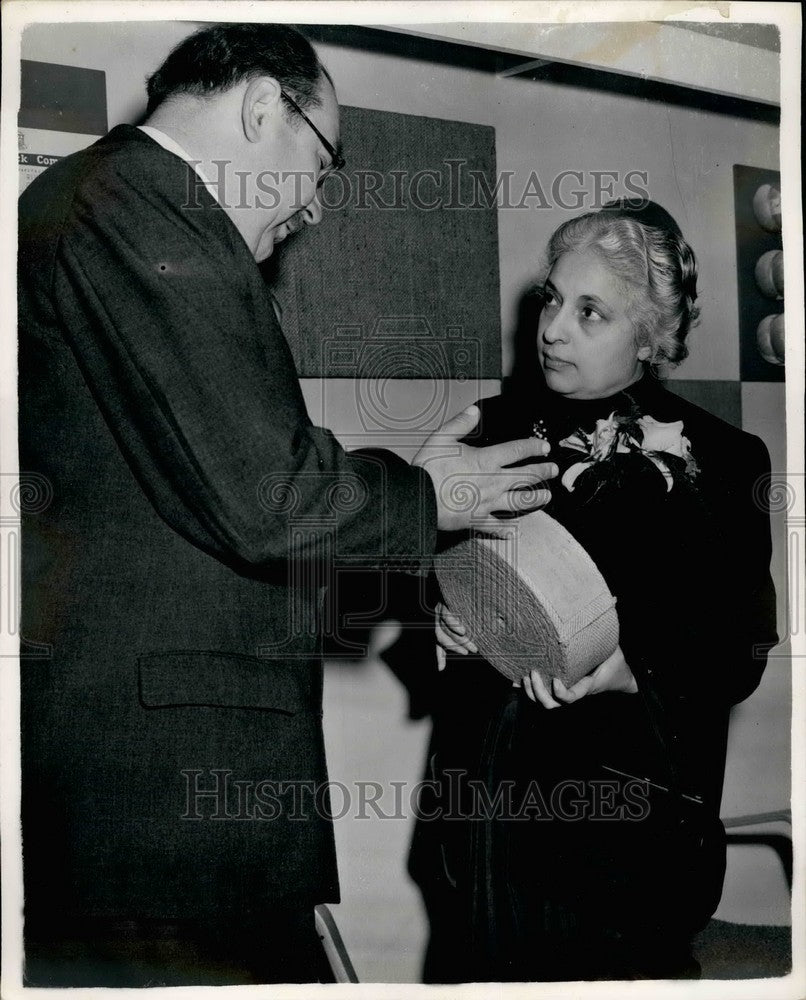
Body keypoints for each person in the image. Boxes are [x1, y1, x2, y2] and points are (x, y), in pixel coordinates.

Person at [17, 23, 557, 986]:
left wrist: (420, 546)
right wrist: (430, 495)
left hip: (166, 794)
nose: (312, 207)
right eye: (323, 162)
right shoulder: (131, 203)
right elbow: (267, 500)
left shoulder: (125, 207)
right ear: (264, 104)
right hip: (167, 802)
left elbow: (223, 503)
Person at [415, 200, 778, 982]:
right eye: (552, 299)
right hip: (486, 816)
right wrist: (442, 618)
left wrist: (633, 673)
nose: (552, 330)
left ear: (649, 337)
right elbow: (431, 568)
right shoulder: (491, 431)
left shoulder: (727, 459)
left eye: (590, 313)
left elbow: (741, 648)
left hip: (631, 826)